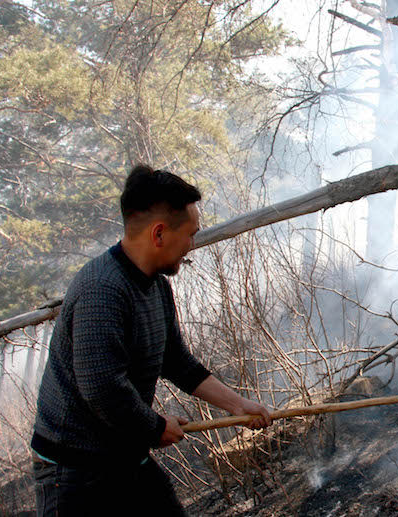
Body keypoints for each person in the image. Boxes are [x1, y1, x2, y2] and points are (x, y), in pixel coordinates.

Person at [31, 165, 273, 516]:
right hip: (74, 469)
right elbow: (101, 387)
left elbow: (175, 361)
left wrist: (238, 405)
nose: (193, 244)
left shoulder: (156, 285)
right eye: (190, 234)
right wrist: (154, 427)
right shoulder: (102, 290)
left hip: (125, 454)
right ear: (159, 234)